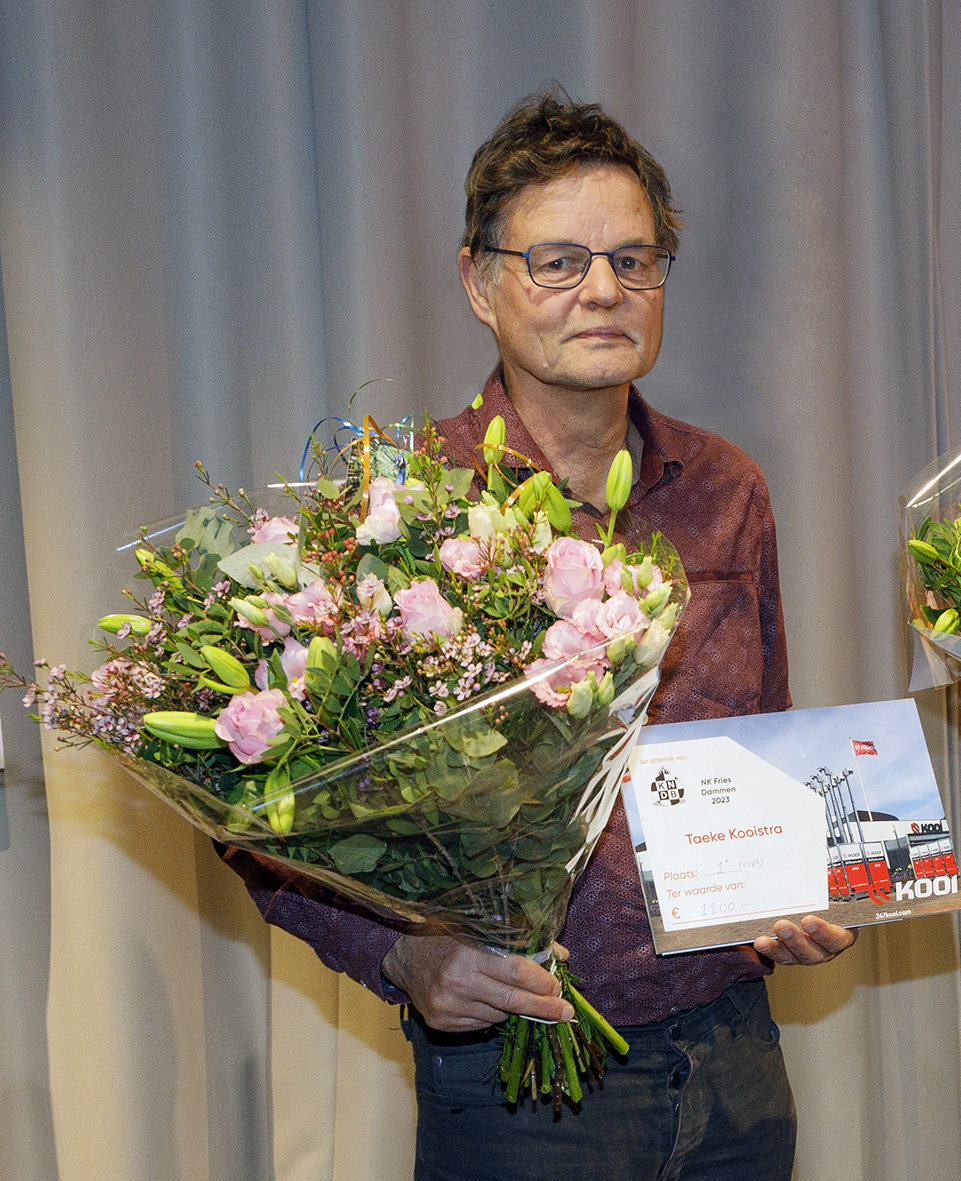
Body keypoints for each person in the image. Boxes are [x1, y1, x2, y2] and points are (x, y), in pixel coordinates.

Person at [228, 92, 853, 1180]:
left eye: (633, 257)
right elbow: (262, 817)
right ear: (480, 281)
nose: (604, 289)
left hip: (733, 1058)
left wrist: (798, 887)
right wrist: (403, 953)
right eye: (558, 261)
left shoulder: (724, 486)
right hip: (523, 1077)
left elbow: (765, 748)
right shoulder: (400, 514)